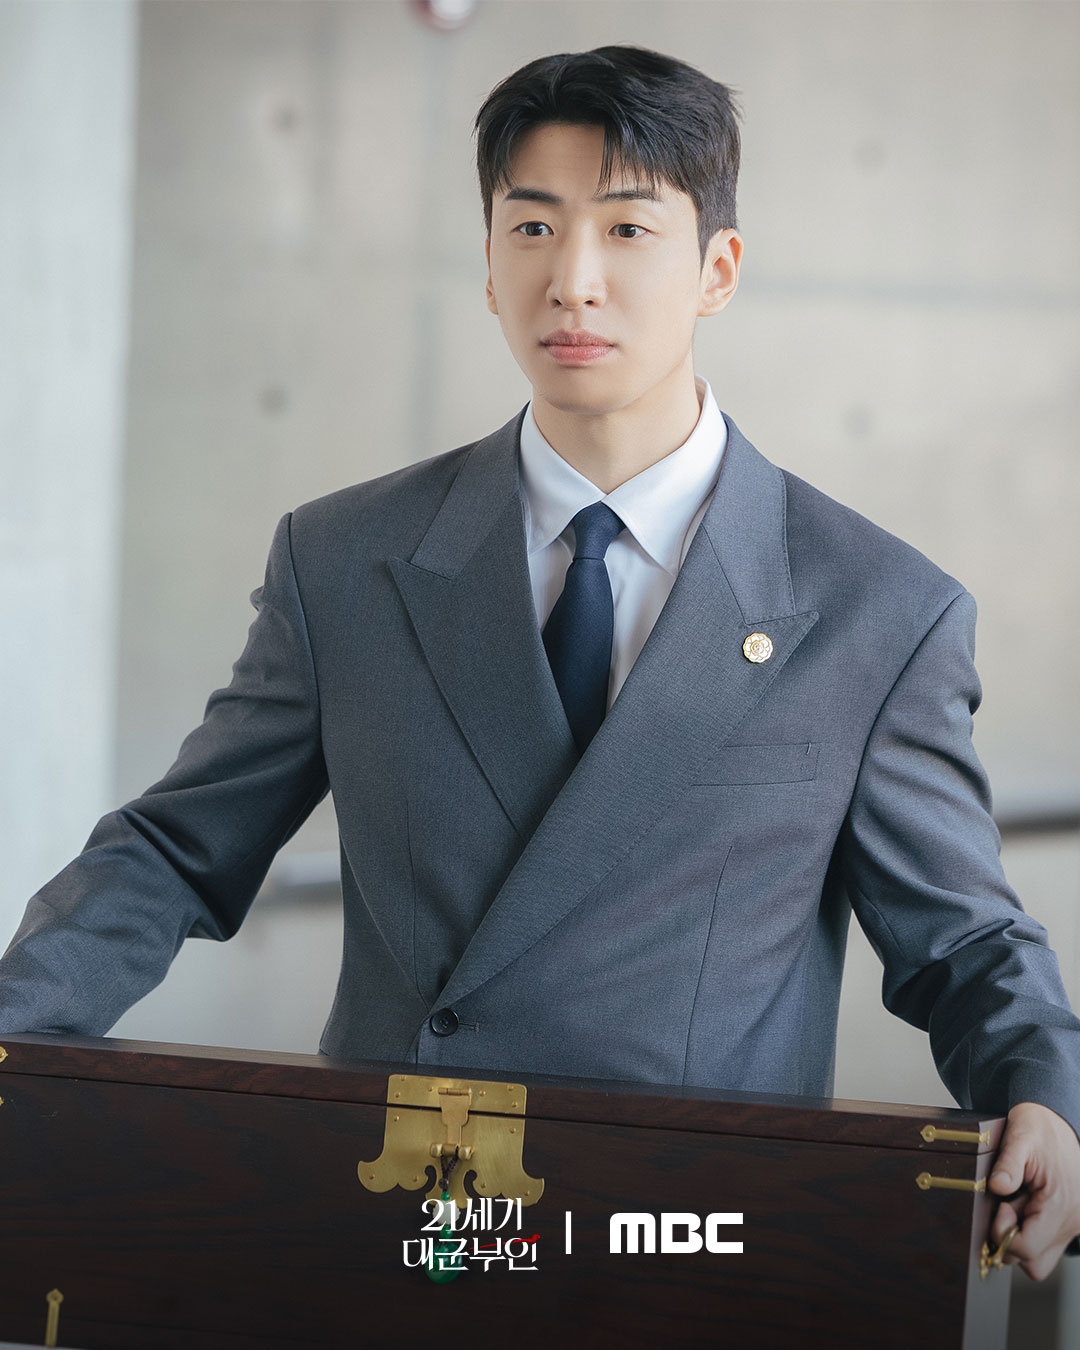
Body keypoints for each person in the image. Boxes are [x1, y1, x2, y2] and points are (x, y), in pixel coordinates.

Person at [2, 44, 1078, 1280]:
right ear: (489, 262)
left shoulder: (877, 611)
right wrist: (15, 1023)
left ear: (717, 269)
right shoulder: (345, 561)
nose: (573, 281)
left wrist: (1046, 1092)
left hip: (693, 1247)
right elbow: (176, 849)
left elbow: (962, 941)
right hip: (404, 1233)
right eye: (532, 227)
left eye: (627, 229)